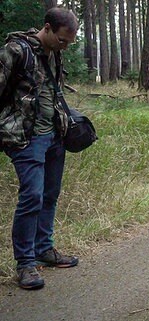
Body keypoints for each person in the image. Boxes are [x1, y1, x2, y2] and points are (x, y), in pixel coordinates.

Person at [0, 7, 80, 290]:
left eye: (70, 42)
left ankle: (44, 250)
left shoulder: (55, 53)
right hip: (25, 137)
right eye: (62, 40)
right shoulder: (15, 51)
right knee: (31, 196)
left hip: (54, 136)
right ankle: (25, 263)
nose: (66, 46)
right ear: (47, 28)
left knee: (49, 194)